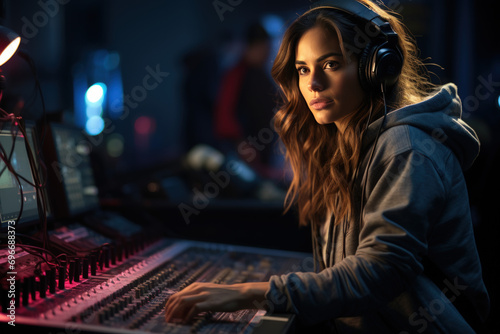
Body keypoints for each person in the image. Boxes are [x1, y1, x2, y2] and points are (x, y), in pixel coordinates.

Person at [164, 1, 491, 332]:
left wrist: (248, 292)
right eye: (303, 69)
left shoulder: (405, 148)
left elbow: (382, 271)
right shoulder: (341, 146)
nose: (313, 84)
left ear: (376, 66)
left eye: (331, 64)